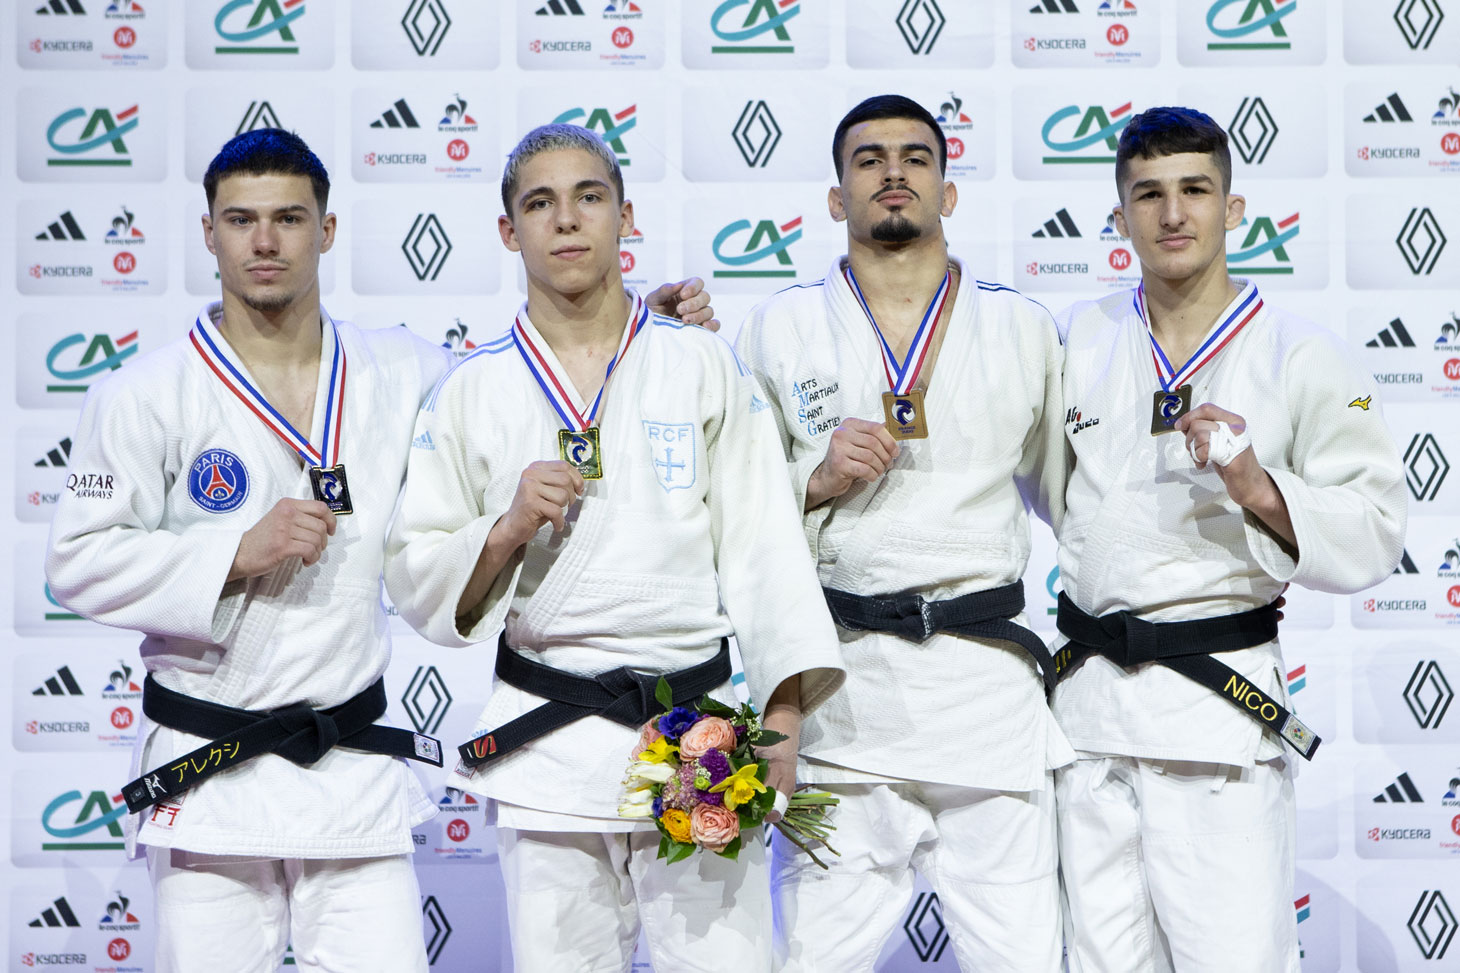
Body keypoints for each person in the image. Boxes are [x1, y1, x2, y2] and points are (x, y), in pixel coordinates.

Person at [43, 127, 717, 973]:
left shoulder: (401, 369)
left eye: (289, 218)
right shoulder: (139, 392)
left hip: (349, 770)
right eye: (241, 219)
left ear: (326, 231)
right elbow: (76, 560)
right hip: (208, 773)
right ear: (208, 231)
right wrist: (230, 551)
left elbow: (515, 385)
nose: (264, 241)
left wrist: (632, 339)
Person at [383, 124, 845, 973]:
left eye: (588, 197)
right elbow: (416, 574)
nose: (566, 221)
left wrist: (781, 714)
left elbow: (765, 546)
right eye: (540, 203)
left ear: (624, 216)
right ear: (506, 230)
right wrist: (507, 527)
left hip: (700, 749)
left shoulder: (701, 362)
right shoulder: (470, 388)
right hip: (548, 753)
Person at [1051, 106, 1407, 972]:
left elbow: (1375, 528)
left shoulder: (1302, 353)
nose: (1173, 214)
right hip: (1089, 717)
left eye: (1195, 190)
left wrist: (1258, 487)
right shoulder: (1081, 337)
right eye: (1149, 194)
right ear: (1121, 215)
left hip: (1214, 715)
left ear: (1232, 207)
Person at [735, 95, 1071, 972]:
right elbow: (735, 516)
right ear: (836, 197)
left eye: (917, 157)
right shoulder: (779, 326)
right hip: (847, 691)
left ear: (948, 191)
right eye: (870, 158)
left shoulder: (1022, 326)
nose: (894, 173)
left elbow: (1073, 499)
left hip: (987, 690)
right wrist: (816, 479)